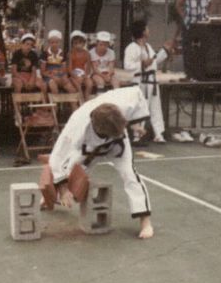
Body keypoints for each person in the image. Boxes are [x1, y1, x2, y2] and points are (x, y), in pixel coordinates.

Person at [48, 86, 155, 239]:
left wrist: (134, 124)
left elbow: (138, 92)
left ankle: (145, 222)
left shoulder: (125, 102)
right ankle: (50, 195)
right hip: (89, 146)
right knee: (72, 171)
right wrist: (63, 189)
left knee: (130, 174)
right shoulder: (77, 126)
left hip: (119, 141)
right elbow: (58, 156)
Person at [123, 20, 173, 144]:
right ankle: (137, 135)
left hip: (152, 81)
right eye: (147, 28)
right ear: (143, 31)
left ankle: (158, 134)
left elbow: (154, 62)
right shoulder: (132, 47)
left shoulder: (147, 46)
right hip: (140, 81)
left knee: (156, 108)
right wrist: (141, 63)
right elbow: (127, 65)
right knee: (140, 108)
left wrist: (165, 51)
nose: (149, 30)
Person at [175, 0, 213, 73]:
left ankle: (200, 72)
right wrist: (183, 16)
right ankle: (188, 73)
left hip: (202, 25)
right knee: (188, 50)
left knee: (201, 49)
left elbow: (210, 4)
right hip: (189, 25)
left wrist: (207, 15)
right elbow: (178, 4)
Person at [41, 29, 77, 95]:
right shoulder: (45, 54)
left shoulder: (63, 54)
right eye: (52, 42)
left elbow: (64, 69)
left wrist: (61, 76)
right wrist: (52, 76)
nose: (54, 44)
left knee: (71, 88)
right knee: (52, 84)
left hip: (60, 76)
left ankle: (74, 104)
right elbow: (43, 71)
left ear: (60, 42)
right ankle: (55, 104)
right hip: (49, 77)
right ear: (49, 42)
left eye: (56, 42)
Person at [68, 30, 93, 100]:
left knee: (90, 84)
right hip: (73, 75)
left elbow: (88, 68)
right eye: (75, 43)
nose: (78, 45)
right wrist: (76, 76)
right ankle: (81, 100)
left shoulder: (87, 54)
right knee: (78, 85)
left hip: (83, 75)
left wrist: (84, 76)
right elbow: (69, 69)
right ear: (72, 44)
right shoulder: (70, 54)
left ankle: (87, 100)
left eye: (80, 43)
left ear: (84, 43)